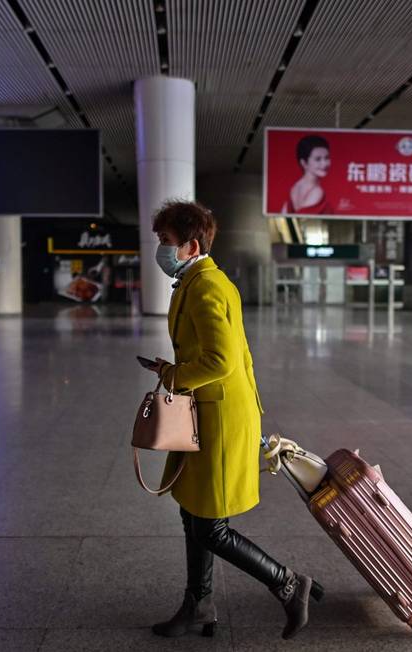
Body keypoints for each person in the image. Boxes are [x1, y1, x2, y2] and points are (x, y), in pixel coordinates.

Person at [145, 200, 322, 640]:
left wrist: (171, 375)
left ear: (190, 244)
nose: (160, 249)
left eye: (165, 241)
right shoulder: (195, 280)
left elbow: (219, 360)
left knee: (210, 525)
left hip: (220, 416)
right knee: (192, 512)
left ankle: (287, 583)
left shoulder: (207, 286)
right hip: (206, 410)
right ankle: (199, 605)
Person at [282, 135, 331, 214]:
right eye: (318, 159)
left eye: (327, 158)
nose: (324, 164)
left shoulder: (295, 187)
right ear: (304, 163)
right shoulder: (317, 191)